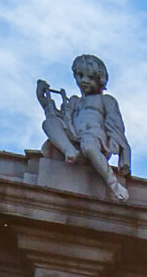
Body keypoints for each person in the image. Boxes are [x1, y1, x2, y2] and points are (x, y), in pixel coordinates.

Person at [37, 54, 133, 202]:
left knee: (88, 146)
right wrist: (44, 100)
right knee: (49, 123)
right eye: (80, 76)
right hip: (74, 137)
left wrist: (121, 151)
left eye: (90, 77)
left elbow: (115, 124)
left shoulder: (105, 100)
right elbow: (59, 117)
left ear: (100, 79)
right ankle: (69, 150)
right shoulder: (75, 101)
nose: (83, 81)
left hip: (95, 140)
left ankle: (114, 185)